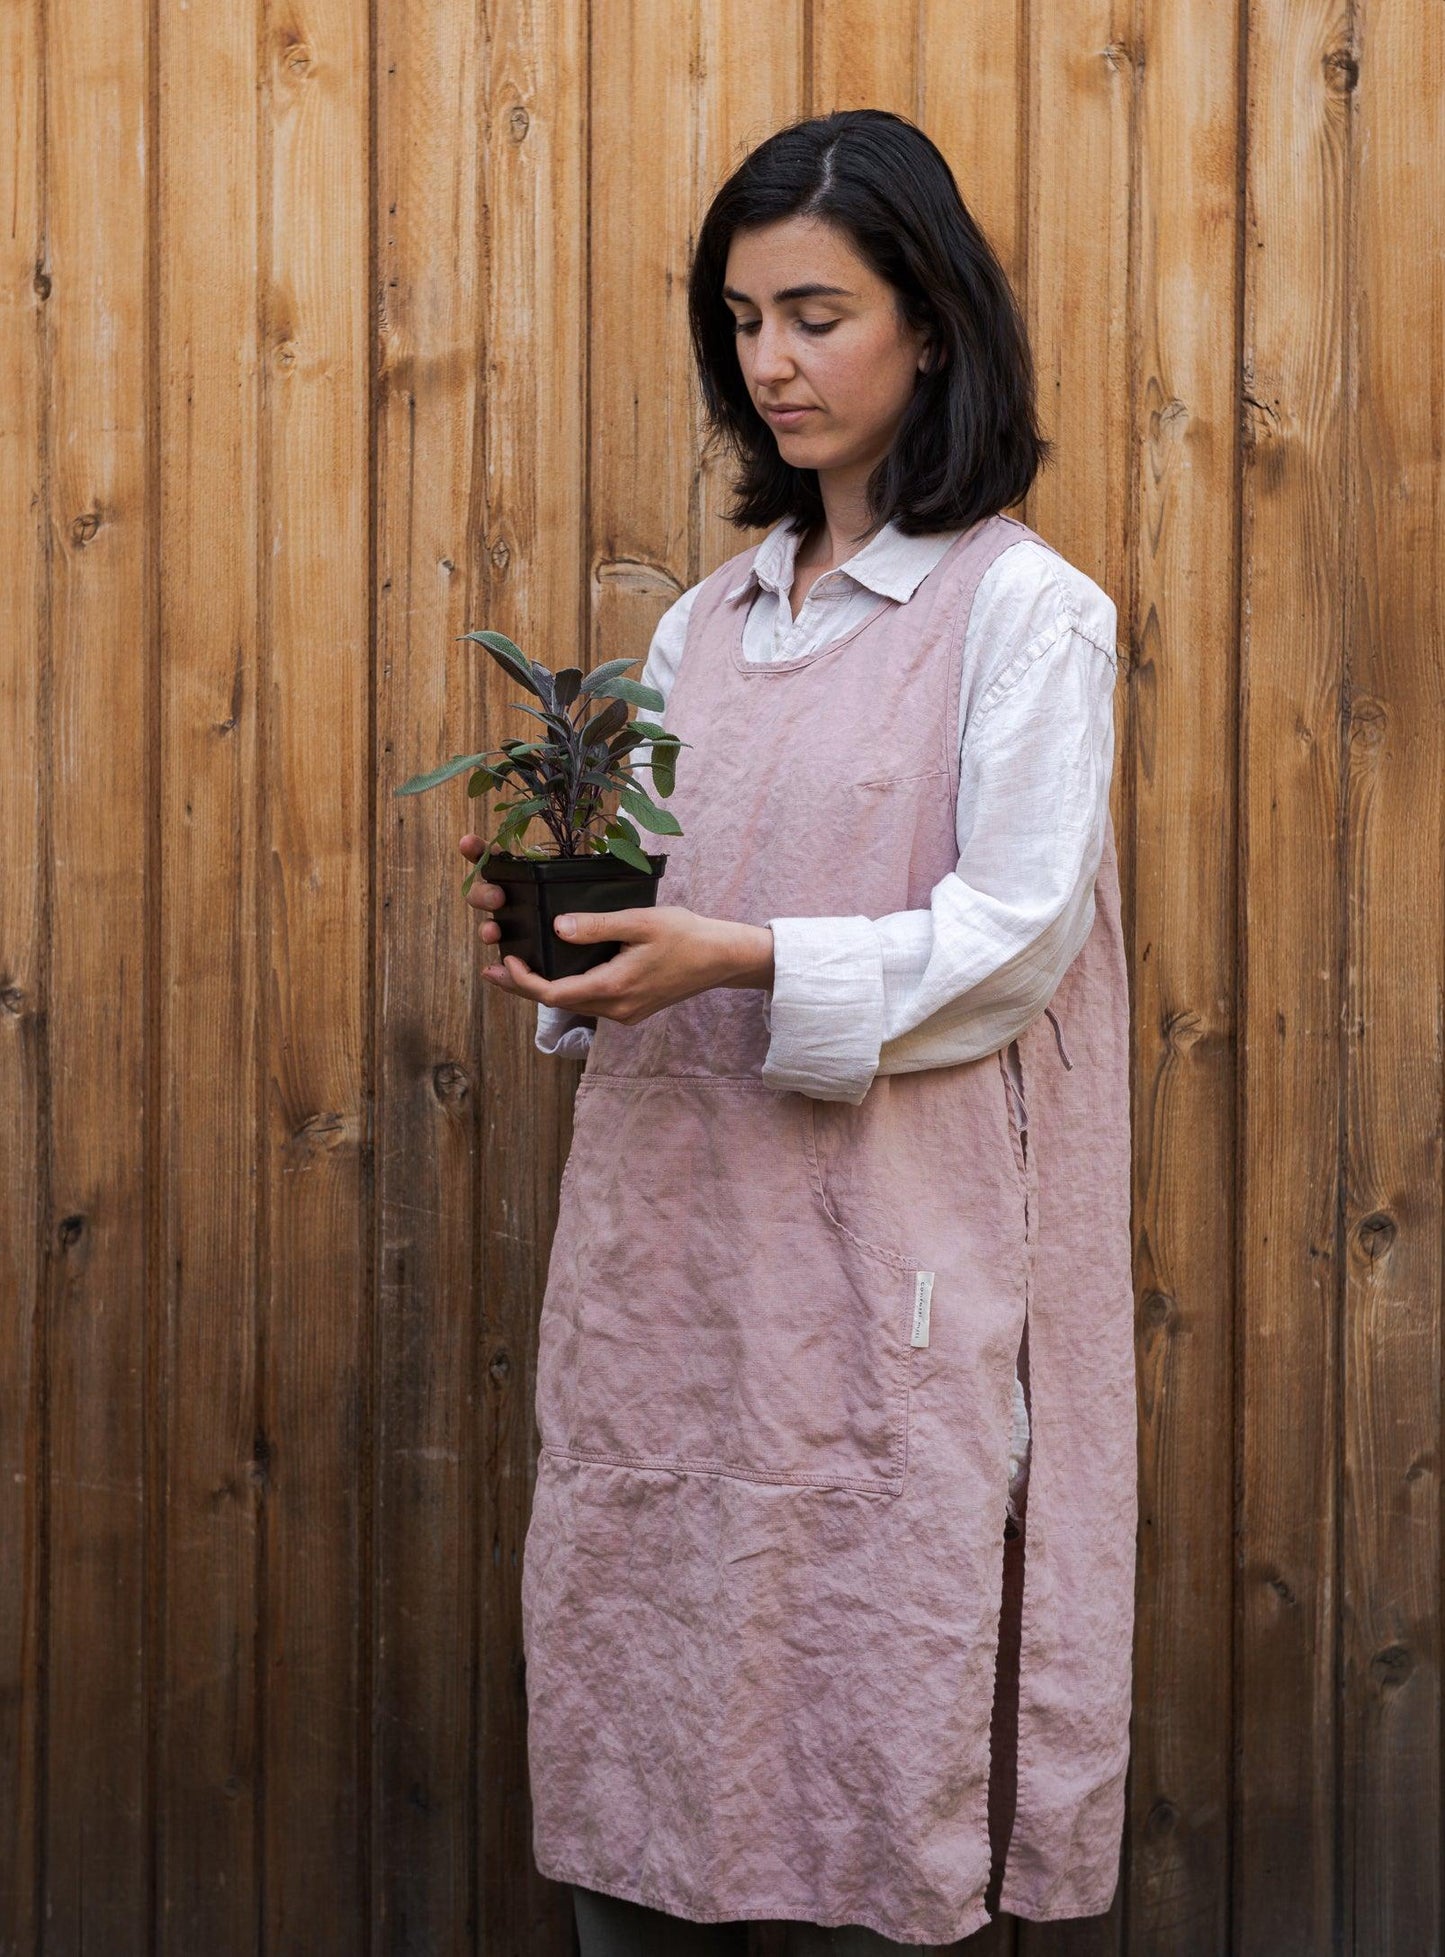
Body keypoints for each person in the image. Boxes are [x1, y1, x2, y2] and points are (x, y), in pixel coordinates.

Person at [460, 109, 1136, 1953]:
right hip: (676, 1283)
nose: (771, 362)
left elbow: (1011, 940)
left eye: (817, 313)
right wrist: (576, 964)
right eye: (744, 319)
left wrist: (738, 958)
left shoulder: (1025, 616)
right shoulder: (703, 629)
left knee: (865, 1738)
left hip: (888, 1283)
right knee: (644, 1737)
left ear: (931, 322)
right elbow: (661, 911)